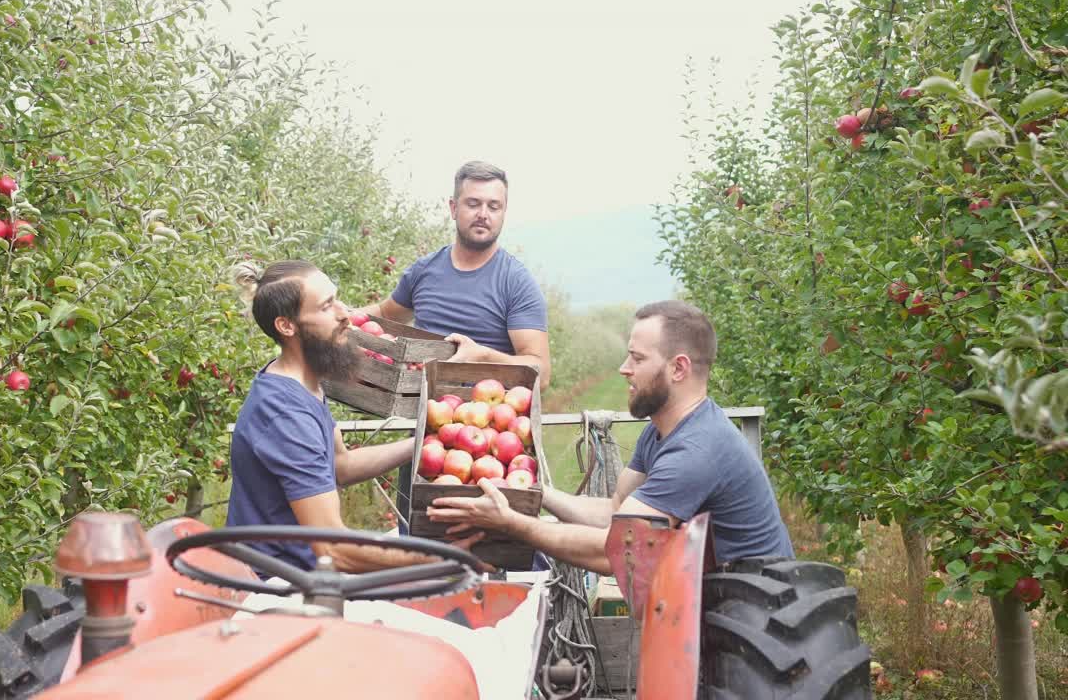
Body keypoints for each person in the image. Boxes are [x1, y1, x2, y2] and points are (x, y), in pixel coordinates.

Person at [427, 300, 794, 572]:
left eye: (637, 358)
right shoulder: (663, 432)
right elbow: (615, 510)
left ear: (678, 368)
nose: (624, 369)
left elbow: (617, 549)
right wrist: (530, 495)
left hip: (755, 611)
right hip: (716, 600)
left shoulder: (697, 449)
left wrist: (514, 523)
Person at [227, 260, 483, 573]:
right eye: (326, 307)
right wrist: (438, 559)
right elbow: (334, 551)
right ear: (287, 326)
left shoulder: (303, 383)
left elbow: (340, 466)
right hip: (279, 587)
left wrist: (429, 440)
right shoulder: (284, 413)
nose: (345, 314)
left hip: (307, 571)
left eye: (337, 299)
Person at [361, 161, 552, 389]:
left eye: (494, 206)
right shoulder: (424, 271)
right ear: (453, 208)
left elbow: (542, 375)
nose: (483, 214)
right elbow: (385, 313)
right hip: (422, 416)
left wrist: (484, 358)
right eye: (473, 204)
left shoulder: (516, 282)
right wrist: (341, 314)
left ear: (503, 213)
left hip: (486, 419)